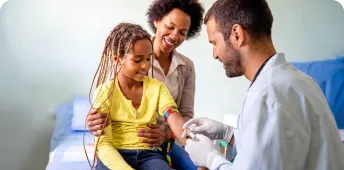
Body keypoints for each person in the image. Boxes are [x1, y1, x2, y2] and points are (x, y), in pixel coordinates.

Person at [182, 0, 344, 170]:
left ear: (237, 34)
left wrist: (211, 159)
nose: (214, 54)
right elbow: (277, 147)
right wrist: (229, 133)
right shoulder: (301, 81)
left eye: (214, 43)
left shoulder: (267, 95)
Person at [87, 0, 204, 170]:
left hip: (159, 146)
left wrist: (198, 152)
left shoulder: (172, 76)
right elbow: (104, 140)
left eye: (182, 32)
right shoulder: (131, 54)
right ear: (157, 21)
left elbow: (179, 115)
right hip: (118, 149)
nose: (174, 36)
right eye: (170, 27)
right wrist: (93, 119)